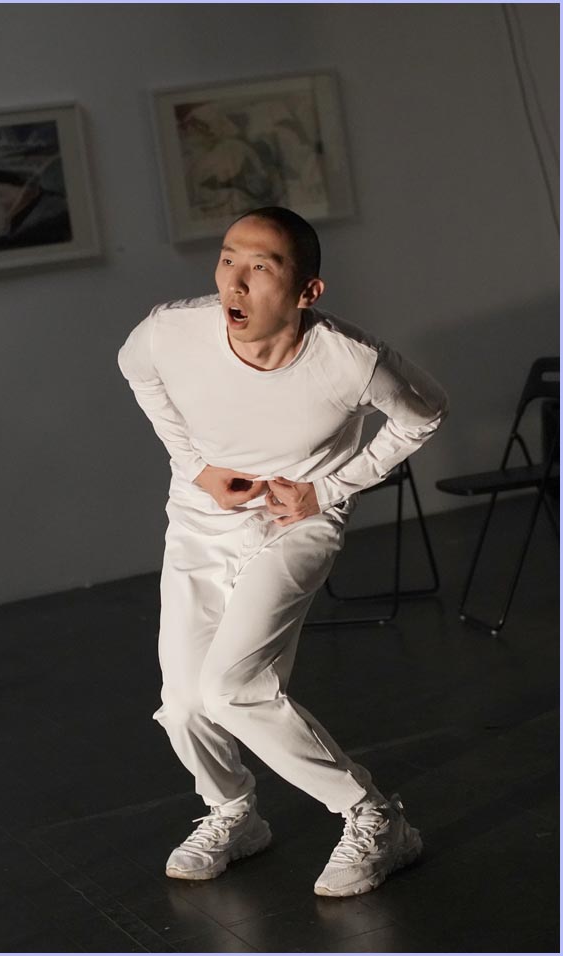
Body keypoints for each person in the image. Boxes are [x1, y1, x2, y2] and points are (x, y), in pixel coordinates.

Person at [117, 206, 448, 897]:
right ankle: (232, 813)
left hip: (295, 525)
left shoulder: (351, 360)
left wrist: (327, 489)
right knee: (184, 703)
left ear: (306, 291)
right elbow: (136, 369)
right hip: (201, 520)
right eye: (227, 259)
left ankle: (374, 818)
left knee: (233, 689)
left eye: (259, 268)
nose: (233, 282)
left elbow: (424, 413)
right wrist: (196, 466)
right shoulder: (171, 331)